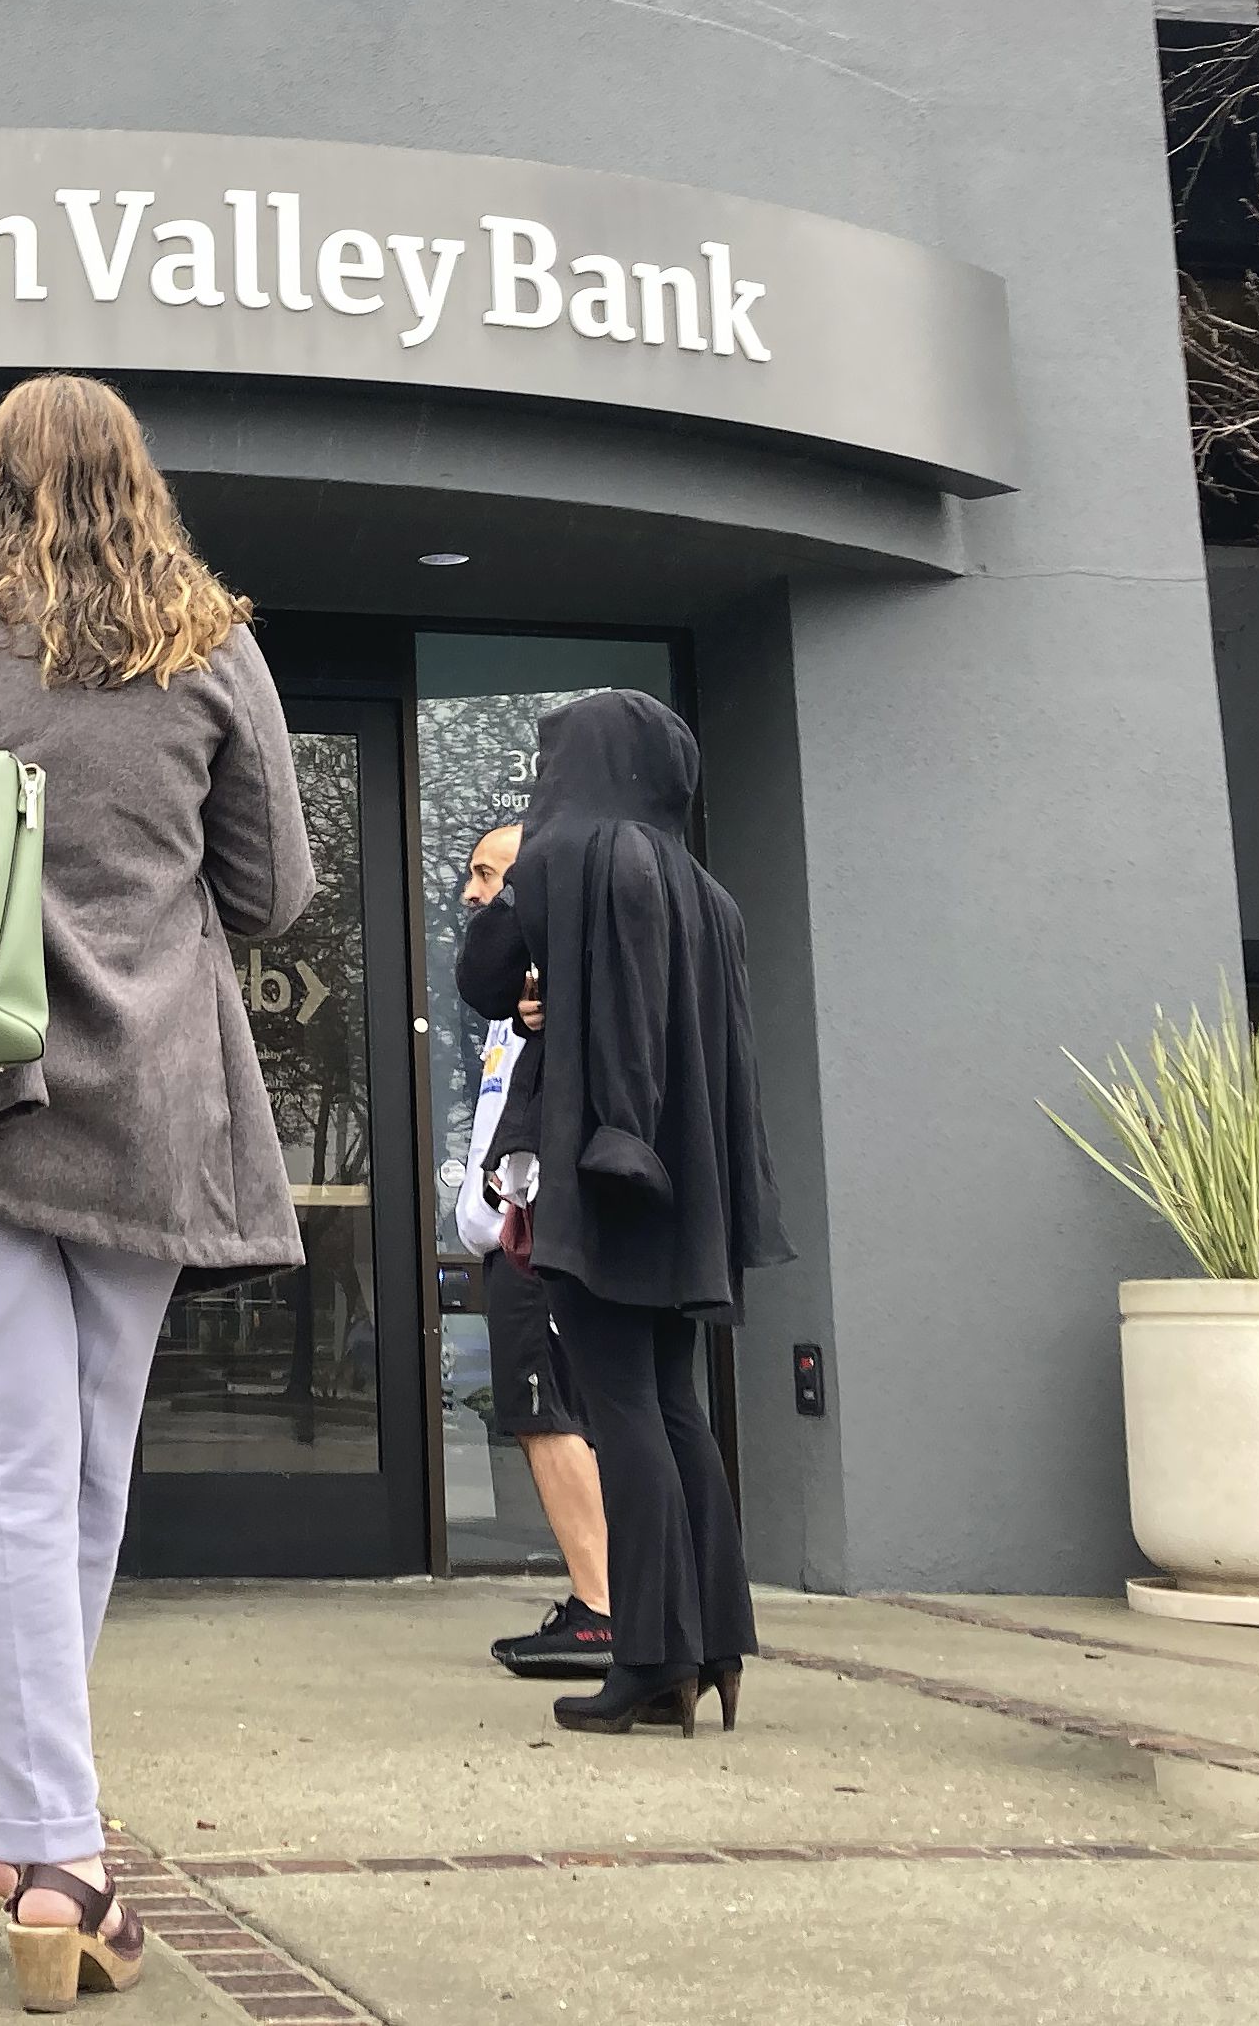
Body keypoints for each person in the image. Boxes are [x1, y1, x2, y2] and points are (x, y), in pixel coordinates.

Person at [0, 375, 310, 2011]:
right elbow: (275, 887)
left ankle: (51, 1856)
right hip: (150, 1108)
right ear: (138, 483)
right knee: (74, 1483)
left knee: (2, 1481)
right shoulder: (209, 641)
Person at [456, 693, 788, 1736]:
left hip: (600, 1169)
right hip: (686, 1183)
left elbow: (479, 976)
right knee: (673, 1401)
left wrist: (516, 927)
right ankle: (713, 1641)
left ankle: (646, 1655)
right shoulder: (703, 893)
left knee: (616, 1407)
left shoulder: (562, 862)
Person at [446, 822, 615, 1678]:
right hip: (512, 1240)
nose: (475, 892)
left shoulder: (557, 994)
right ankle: (610, 1598)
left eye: (489, 875)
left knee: (549, 1415)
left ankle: (600, 1607)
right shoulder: (513, 1007)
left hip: (537, 1244)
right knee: (548, 1415)